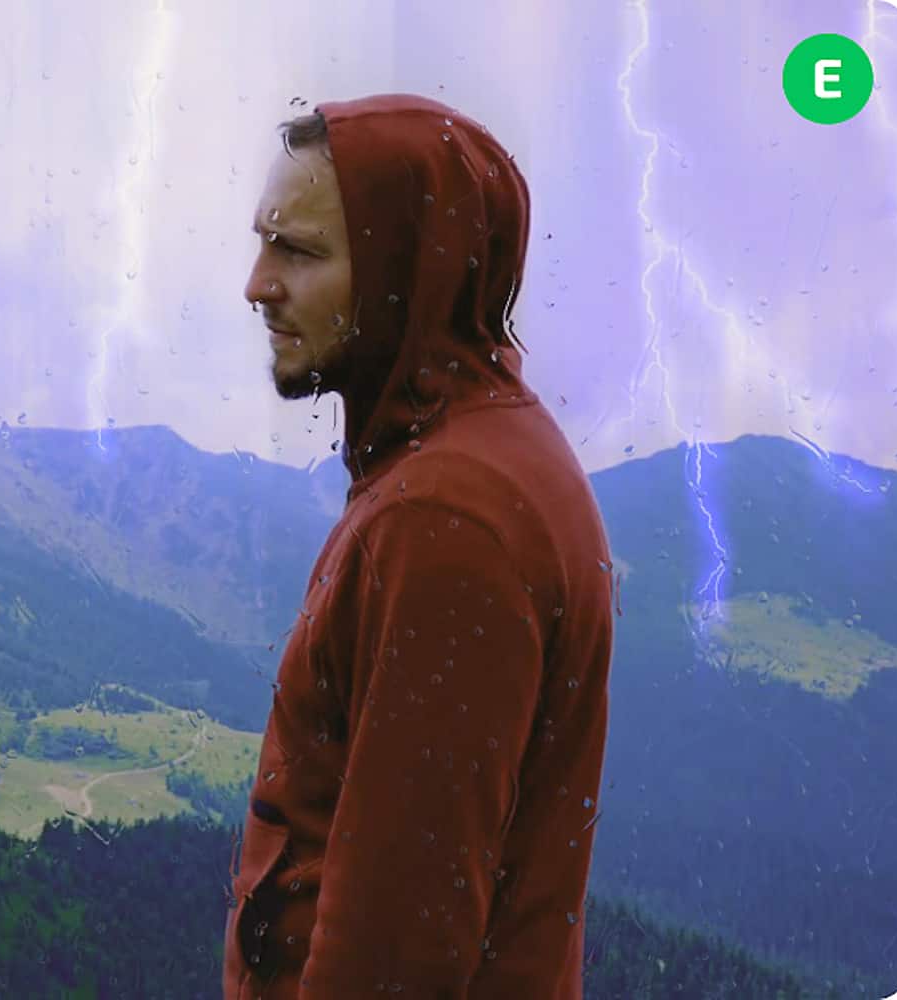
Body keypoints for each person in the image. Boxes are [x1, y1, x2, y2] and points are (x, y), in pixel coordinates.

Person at [224, 93, 614, 1000]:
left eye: (299, 252)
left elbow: (392, 956)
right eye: (263, 242)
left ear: (410, 271)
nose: (256, 285)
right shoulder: (481, 460)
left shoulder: (445, 524)